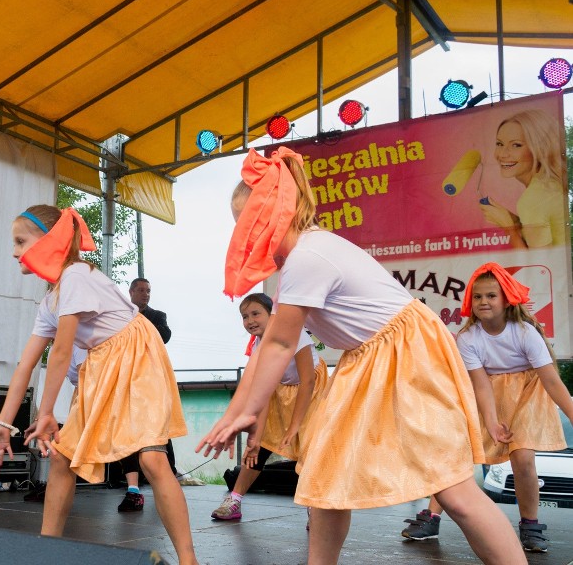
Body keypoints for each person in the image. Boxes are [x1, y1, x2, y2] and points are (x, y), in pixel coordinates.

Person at [197, 147, 527, 565]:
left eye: (253, 221)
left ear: (279, 211)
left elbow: (281, 347)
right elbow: (267, 350)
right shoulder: (298, 264)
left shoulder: (308, 256)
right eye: (243, 226)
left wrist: (248, 411)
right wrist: (234, 414)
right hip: (367, 362)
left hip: (406, 357)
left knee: (453, 489)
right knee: (327, 476)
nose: (248, 234)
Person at [0, 205, 197, 565]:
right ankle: (47, 548)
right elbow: (27, 364)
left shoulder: (77, 275)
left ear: (51, 241)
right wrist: (4, 423)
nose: (14, 250)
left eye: (21, 241)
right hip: (100, 367)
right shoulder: (49, 300)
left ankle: (189, 560)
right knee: (64, 458)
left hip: (136, 356)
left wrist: (47, 411)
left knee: (152, 459)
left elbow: (63, 349)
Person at [402, 263, 573, 552]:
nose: (484, 302)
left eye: (491, 296)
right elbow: (481, 385)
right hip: (487, 394)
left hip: (527, 394)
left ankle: (530, 524)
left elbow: (552, 382)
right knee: (458, 453)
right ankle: (431, 516)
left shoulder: (525, 333)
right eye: (478, 297)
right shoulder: (469, 338)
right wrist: (491, 422)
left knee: (522, 458)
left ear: (507, 300)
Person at [211, 293, 327, 522]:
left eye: (256, 313)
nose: (250, 320)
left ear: (271, 315)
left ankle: (314, 507)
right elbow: (261, 392)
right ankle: (235, 498)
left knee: (311, 449)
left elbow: (308, 381)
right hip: (279, 392)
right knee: (259, 445)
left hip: (311, 391)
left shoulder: (295, 333)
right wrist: (256, 434)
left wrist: (295, 424)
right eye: (244, 316)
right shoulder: (257, 346)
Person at [117, 276, 179, 512]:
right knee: (128, 431)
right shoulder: (121, 314)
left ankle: (169, 476)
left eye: (148, 291)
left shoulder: (156, 315)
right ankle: (133, 489)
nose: (145, 294)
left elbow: (164, 336)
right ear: (131, 291)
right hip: (127, 380)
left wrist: (138, 321)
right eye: (141, 290)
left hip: (151, 381)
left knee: (159, 430)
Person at [480, 109, 566, 249]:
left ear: (539, 149)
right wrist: (514, 220)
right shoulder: (549, 185)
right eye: (500, 144)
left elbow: (539, 267)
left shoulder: (532, 198)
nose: (502, 154)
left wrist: (509, 227)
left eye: (516, 145)